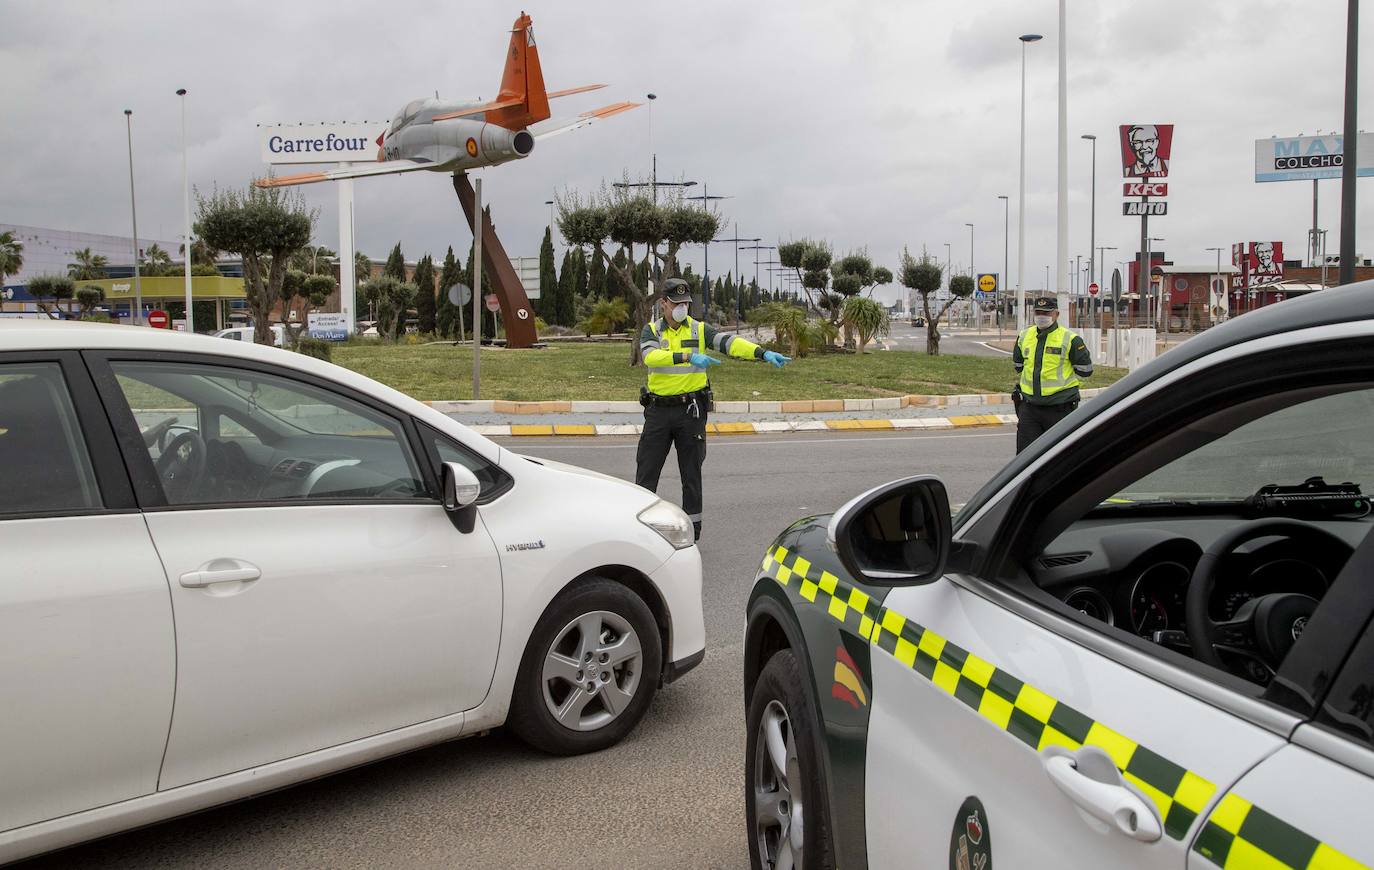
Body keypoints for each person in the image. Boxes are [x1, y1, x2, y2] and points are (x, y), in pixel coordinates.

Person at [636, 277, 790, 540]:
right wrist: (686, 356)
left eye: (685, 302)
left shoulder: (699, 330)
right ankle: (636, 528)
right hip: (659, 412)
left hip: (691, 412)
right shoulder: (652, 331)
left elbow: (730, 343)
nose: (682, 307)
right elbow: (650, 356)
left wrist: (762, 353)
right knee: (646, 473)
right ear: (663, 303)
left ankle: (692, 532)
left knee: (692, 476)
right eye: (676, 303)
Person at [1012, 296, 1092, 454]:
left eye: (1047, 313)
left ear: (1056, 314)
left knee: (1060, 457)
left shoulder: (1071, 339)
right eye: (1038, 312)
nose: (1042, 316)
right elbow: (1018, 365)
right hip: (1030, 409)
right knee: (1025, 458)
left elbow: (1085, 370)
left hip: (1059, 409)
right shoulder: (1024, 336)